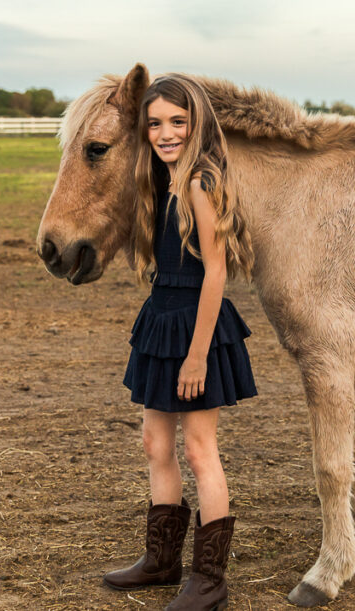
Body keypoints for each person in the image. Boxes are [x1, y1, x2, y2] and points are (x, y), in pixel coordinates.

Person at [103, 74, 257, 610]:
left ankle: (209, 579)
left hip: (196, 323)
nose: (165, 133)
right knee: (155, 445)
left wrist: (196, 354)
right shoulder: (163, 181)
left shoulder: (199, 181)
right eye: (154, 123)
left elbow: (216, 271)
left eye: (177, 122)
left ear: (195, 125)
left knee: (199, 450)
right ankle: (162, 561)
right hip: (161, 316)